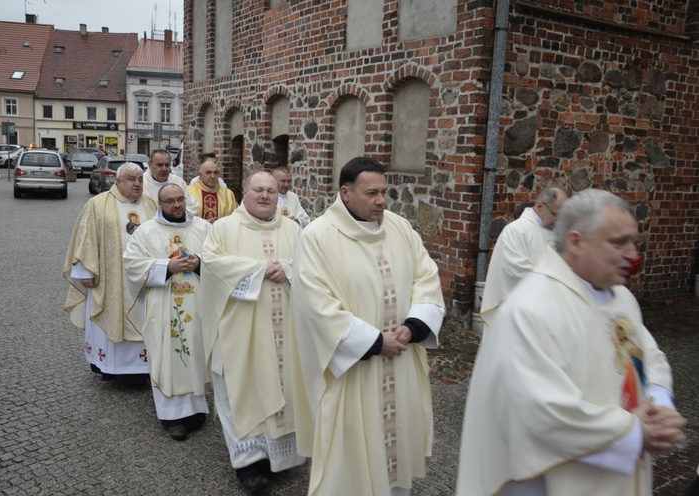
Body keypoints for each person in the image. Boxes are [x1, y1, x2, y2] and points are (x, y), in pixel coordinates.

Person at [456, 188, 687, 496]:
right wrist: (635, 433)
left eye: (633, 241)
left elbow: (649, 357)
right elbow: (542, 413)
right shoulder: (530, 309)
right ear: (576, 242)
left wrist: (658, 404)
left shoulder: (621, 298)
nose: (633, 255)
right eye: (619, 243)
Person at [291, 156, 446, 495]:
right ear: (346, 194)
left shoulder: (400, 228)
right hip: (352, 371)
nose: (381, 201)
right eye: (371, 193)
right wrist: (375, 342)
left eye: (384, 192)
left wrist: (414, 325)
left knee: (396, 449)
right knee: (351, 457)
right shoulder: (317, 237)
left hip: (400, 359)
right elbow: (315, 305)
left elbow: (426, 275)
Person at [199, 170, 305, 492]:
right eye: (257, 190)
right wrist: (259, 270)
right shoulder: (223, 228)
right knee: (240, 390)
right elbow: (212, 265)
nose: (264, 196)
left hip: (287, 329)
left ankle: (282, 458)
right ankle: (249, 464)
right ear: (244, 191)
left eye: (271, 191)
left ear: (279, 195)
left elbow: (313, 268)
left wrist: (287, 269)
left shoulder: (295, 229)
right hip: (239, 331)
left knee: (285, 388)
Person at [123, 184, 212, 441]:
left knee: (194, 352)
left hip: (197, 305)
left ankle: (196, 410)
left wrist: (199, 263)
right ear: (160, 205)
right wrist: (167, 266)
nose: (177, 205)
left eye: (180, 200)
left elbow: (220, 259)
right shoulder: (147, 231)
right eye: (170, 201)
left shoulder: (203, 228)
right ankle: (172, 417)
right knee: (167, 354)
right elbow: (131, 265)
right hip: (163, 306)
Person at [63, 162, 156, 383]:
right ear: (118, 181)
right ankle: (109, 366)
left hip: (143, 282)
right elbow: (86, 238)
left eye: (140, 179)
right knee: (109, 315)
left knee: (143, 319)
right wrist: (85, 270)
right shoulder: (98, 204)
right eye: (131, 179)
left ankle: (144, 370)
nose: (137, 184)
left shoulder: (151, 205)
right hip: (109, 280)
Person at [480, 187, 567, 322]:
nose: (558, 221)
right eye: (555, 215)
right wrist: (556, 281)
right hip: (518, 314)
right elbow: (516, 271)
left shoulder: (556, 233)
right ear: (540, 205)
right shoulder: (516, 231)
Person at [142, 148, 199, 216]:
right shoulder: (141, 183)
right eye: (160, 165)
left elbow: (192, 206)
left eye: (167, 165)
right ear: (149, 164)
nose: (164, 169)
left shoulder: (178, 182)